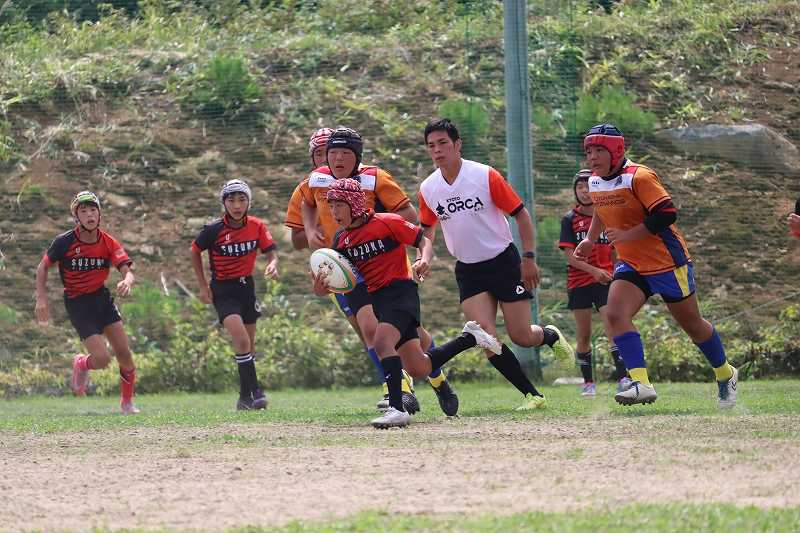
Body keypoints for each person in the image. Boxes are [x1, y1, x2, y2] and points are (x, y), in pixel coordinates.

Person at [313, 179, 501, 428]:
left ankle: (396, 408)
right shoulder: (341, 240)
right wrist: (322, 288)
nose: (333, 212)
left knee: (382, 342)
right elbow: (341, 280)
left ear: (354, 203)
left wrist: (424, 259)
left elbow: (423, 239)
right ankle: (470, 338)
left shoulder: (386, 222)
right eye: (331, 206)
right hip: (379, 300)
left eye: (339, 205)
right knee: (419, 367)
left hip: (401, 293)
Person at [574, 123, 738, 408]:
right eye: (589, 151)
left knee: (693, 326)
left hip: (667, 262)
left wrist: (627, 235)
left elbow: (666, 214)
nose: (592, 157)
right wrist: (590, 239)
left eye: (599, 150)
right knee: (615, 314)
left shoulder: (640, 176)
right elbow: (601, 207)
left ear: (616, 150)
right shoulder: (595, 181)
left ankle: (726, 374)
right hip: (632, 264)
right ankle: (641, 384)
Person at [300, 126, 459, 417]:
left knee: (411, 336)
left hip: (385, 268)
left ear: (357, 156)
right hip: (350, 267)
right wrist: (310, 230)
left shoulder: (375, 178)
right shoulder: (318, 179)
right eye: (330, 153)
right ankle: (399, 393)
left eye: (344, 153)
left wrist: (375, 232)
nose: (336, 158)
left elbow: (410, 217)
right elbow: (306, 203)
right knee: (372, 331)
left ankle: (435, 381)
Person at [419, 118, 574, 411]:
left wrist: (528, 258)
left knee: (522, 336)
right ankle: (533, 395)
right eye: (431, 145)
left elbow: (521, 215)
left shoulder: (483, 175)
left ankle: (550, 335)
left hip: (504, 262)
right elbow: (426, 230)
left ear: (457, 144)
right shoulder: (429, 188)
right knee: (485, 337)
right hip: (468, 269)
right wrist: (423, 258)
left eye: (443, 143)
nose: (437, 150)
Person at [35, 191, 140, 414]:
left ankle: (127, 403)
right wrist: (41, 298)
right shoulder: (64, 242)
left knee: (124, 353)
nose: (90, 215)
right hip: (78, 303)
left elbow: (127, 270)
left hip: (101, 299)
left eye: (93, 210)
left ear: (99, 214)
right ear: (76, 217)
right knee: (102, 359)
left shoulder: (108, 241)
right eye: (83, 211)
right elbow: (43, 266)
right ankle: (81, 363)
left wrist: (127, 281)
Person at [190, 179, 279, 410]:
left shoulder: (257, 226)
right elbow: (195, 251)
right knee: (241, 340)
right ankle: (256, 391)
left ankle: (244, 398)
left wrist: (272, 264)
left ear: (249, 202)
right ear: (224, 203)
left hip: (246, 288)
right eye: (231, 200)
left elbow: (271, 251)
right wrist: (202, 286)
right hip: (223, 290)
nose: (237, 205)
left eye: (242, 199)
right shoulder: (214, 229)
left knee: (248, 345)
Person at [559, 169, 630, 396]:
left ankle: (624, 378)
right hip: (579, 283)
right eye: (580, 187)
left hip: (605, 281)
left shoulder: (607, 216)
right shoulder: (569, 219)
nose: (584, 191)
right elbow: (570, 257)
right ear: (575, 191)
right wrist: (593, 271)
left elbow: (615, 250)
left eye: (588, 186)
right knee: (584, 335)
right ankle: (588, 382)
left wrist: (616, 272)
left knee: (613, 326)